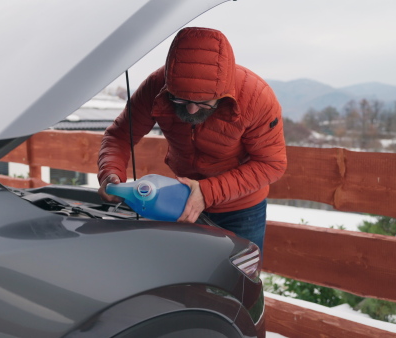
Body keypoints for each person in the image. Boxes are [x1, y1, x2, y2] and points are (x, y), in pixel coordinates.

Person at [97, 27, 287, 256]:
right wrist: (111, 172)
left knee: (239, 281)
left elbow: (271, 164)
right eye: (180, 98)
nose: (191, 109)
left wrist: (207, 192)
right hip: (177, 201)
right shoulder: (155, 87)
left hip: (240, 208)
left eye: (204, 101)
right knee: (184, 277)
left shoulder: (256, 97)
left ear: (225, 93)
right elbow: (119, 135)